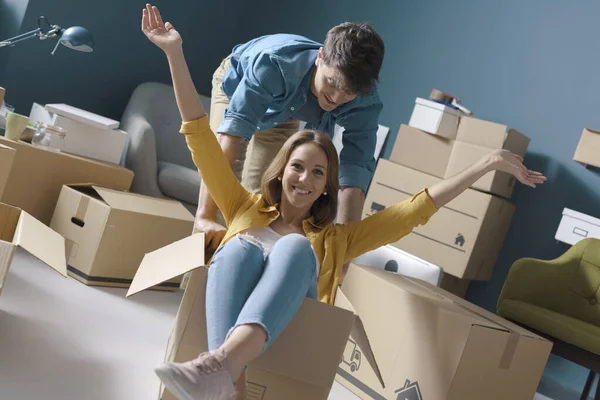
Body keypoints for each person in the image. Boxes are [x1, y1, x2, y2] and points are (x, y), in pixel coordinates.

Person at [141, 4, 547, 400]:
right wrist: (175, 52)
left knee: (295, 247)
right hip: (250, 93)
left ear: (327, 187)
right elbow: (201, 134)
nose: (304, 179)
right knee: (237, 249)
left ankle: (222, 371)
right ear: (281, 172)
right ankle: (231, 384)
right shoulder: (246, 204)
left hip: (294, 311)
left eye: (318, 173)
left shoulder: (335, 241)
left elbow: (413, 208)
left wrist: (486, 163)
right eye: (297, 168)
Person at [195, 7, 385, 256]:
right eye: (331, 82)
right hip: (235, 87)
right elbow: (229, 137)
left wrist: (343, 254)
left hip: (287, 113)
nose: (336, 98)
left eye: (348, 93)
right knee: (224, 195)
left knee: (264, 202)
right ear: (320, 58)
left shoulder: (365, 101)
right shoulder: (274, 63)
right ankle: (193, 285)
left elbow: (354, 174)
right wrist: (205, 217)